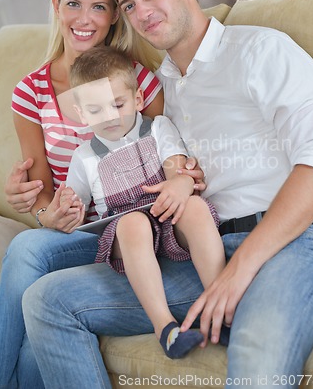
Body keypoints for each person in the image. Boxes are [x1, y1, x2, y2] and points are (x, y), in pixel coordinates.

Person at [22, 0, 313, 388]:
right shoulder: (155, 93)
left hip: (295, 240)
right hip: (201, 247)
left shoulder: (262, 50)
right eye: (127, 5)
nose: (142, 12)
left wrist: (236, 274)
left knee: (257, 350)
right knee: (47, 300)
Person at [0, 0, 164, 389]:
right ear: (56, 6)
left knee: (29, 252)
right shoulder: (30, 91)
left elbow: (167, 153)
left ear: (114, 16)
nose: (84, 18)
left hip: (135, 234)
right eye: (73, 3)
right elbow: (43, 191)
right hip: (77, 237)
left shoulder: (138, 83)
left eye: (99, 6)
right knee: (34, 333)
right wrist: (46, 214)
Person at [60, 46, 224, 359]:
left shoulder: (158, 128)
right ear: (81, 114)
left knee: (194, 206)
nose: (109, 116)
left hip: (167, 215)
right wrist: (66, 206)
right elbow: (75, 209)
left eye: (117, 104)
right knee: (133, 223)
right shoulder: (83, 157)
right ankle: (166, 328)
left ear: (136, 100)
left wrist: (180, 181)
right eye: (95, 110)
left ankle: (220, 307)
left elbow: (177, 167)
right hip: (127, 232)